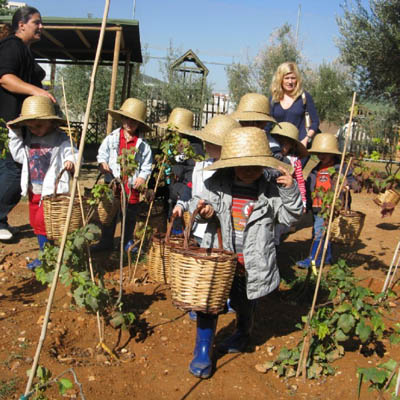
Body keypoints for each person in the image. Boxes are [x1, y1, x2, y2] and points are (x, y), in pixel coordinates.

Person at [187, 127, 303, 378]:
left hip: (252, 262)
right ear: (231, 164)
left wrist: (290, 191)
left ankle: (242, 331)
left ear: (264, 165)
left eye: (256, 164)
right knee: (210, 302)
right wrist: (206, 211)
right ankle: (204, 348)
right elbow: (199, 203)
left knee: (245, 301)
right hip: (220, 259)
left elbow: (290, 216)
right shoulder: (217, 184)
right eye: (243, 164)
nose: (250, 170)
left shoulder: (271, 191)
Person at [0, 6, 55, 241]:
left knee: (10, 169)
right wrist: (37, 91)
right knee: (15, 170)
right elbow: (5, 78)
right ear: (21, 25)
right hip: (9, 121)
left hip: (17, 122)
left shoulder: (24, 50)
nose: (41, 26)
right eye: (36, 22)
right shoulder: (12, 46)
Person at [7, 96, 76, 269]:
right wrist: (15, 133)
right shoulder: (29, 139)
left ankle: (46, 257)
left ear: (51, 123)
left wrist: (71, 161)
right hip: (33, 189)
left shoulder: (60, 138)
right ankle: (48, 253)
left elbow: (72, 151)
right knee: (36, 223)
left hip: (51, 191)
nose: (34, 130)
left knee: (42, 222)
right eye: (30, 127)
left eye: (38, 126)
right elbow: (18, 155)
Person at [94, 98, 153, 253]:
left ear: (139, 123)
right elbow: (102, 154)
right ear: (122, 119)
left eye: (134, 121)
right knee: (110, 214)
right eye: (127, 119)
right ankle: (106, 241)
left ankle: (127, 242)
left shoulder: (143, 145)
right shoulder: (112, 138)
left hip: (131, 186)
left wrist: (142, 177)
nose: (130, 123)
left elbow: (147, 165)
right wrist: (102, 164)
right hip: (113, 183)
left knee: (130, 215)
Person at [295, 133, 356, 268]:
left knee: (320, 231)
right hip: (318, 206)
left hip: (332, 206)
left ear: (333, 154)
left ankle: (314, 258)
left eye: (325, 153)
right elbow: (309, 186)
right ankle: (326, 257)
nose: (321, 156)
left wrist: (347, 184)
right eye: (319, 153)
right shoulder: (316, 169)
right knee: (321, 231)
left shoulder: (341, 168)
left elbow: (353, 182)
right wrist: (307, 204)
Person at [155, 107, 204, 234]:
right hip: (168, 189)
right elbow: (158, 166)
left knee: (179, 226)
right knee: (167, 220)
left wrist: (183, 195)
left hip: (182, 193)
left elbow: (193, 173)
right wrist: (153, 187)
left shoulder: (194, 146)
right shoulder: (167, 142)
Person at [270, 122, 308, 245]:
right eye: (279, 142)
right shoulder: (270, 157)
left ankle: (276, 248)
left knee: (279, 227)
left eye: (285, 143)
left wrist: (303, 201)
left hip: (286, 197)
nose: (281, 146)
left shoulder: (295, 162)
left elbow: (300, 181)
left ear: (292, 145)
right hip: (271, 195)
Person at [269, 62, 319, 148]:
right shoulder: (273, 99)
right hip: (279, 147)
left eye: (293, 78)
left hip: (299, 146)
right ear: (280, 79)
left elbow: (315, 122)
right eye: (287, 78)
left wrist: (307, 139)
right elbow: (268, 124)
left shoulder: (304, 97)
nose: (290, 81)